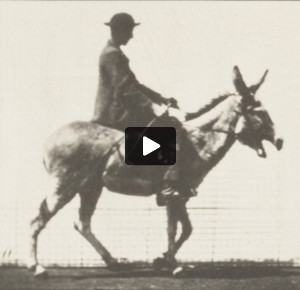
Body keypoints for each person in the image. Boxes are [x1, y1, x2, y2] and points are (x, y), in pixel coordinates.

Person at [92, 13, 199, 205]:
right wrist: (152, 107)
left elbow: (135, 85)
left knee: (166, 128)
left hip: (120, 108)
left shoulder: (114, 53)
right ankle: (167, 186)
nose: (131, 36)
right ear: (120, 31)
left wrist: (161, 99)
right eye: (130, 31)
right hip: (115, 113)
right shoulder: (112, 55)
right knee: (173, 129)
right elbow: (125, 89)